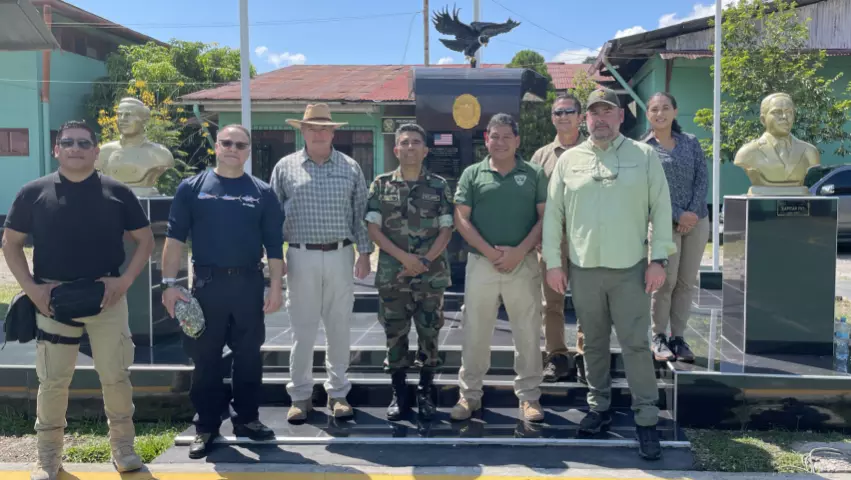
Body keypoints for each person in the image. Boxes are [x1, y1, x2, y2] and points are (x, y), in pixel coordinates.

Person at [2, 120, 154, 479]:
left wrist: (124, 282)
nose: (75, 148)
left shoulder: (117, 191)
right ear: (57, 150)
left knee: (116, 378)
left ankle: (124, 451)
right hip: (53, 302)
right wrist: (32, 290)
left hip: (107, 301)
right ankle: (48, 460)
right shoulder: (33, 192)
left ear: (95, 151)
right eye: (67, 142)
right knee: (53, 383)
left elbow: (145, 240)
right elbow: (10, 243)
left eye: (83, 143)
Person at [543, 89, 676, 460]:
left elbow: (661, 209)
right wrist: (554, 263)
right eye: (593, 114)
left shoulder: (644, 156)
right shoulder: (570, 161)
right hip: (584, 270)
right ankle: (598, 407)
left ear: (621, 117)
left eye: (607, 112)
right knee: (594, 345)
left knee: (635, 344)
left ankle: (647, 418)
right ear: (585, 119)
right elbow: (554, 216)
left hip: (631, 269)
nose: (600, 119)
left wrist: (658, 259)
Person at [161, 124, 284, 459]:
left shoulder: (263, 192)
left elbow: (274, 246)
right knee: (205, 358)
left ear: (248, 150)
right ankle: (207, 425)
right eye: (227, 142)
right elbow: (174, 241)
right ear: (216, 146)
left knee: (248, 357)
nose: (233, 148)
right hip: (205, 286)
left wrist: (276, 286)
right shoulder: (192, 188)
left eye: (240, 144)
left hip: (248, 285)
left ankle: (247, 419)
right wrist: (169, 285)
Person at [270, 103, 373, 423]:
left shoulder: (350, 167)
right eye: (311, 128)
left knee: (339, 327)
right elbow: (272, 218)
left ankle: (338, 393)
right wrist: (274, 259)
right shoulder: (285, 168)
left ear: (333, 131)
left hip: (341, 254)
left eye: (323, 128)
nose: (318, 133)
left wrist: (365, 253)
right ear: (301, 131)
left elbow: (360, 213)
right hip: (300, 256)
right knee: (302, 330)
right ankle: (300, 396)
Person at [452, 113, 547, 422]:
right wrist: (490, 252)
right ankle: (469, 396)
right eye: (495, 136)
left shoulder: (534, 173)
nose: (501, 142)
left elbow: (545, 217)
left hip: (523, 264)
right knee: (475, 332)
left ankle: (530, 397)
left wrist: (519, 252)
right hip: (482, 264)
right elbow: (461, 218)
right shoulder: (472, 174)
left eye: (507, 136)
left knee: (528, 333)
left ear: (517, 141)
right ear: (486, 140)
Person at [365, 123, 454, 420]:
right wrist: (405, 258)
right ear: (396, 149)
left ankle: (426, 392)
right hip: (394, 275)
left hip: (431, 275)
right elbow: (373, 228)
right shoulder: (380, 184)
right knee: (395, 335)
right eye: (404, 143)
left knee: (430, 335)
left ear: (425, 150)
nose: (410, 147)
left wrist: (424, 261)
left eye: (416, 142)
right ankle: (399, 393)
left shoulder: (440, 186)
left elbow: (446, 230)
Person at [642, 92, 709, 363]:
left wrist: (691, 213)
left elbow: (702, 178)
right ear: (648, 114)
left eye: (665, 108)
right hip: (662, 224)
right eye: (655, 109)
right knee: (664, 282)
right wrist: (678, 214)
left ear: (675, 111)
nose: (660, 113)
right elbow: (646, 190)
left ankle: (678, 337)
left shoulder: (690, 142)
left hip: (697, 220)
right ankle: (658, 336)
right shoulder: (643, 148)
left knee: (685, 282)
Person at [529, 93, 587, 383]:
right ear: (552, 117)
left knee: (587, 301)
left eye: (569, 111)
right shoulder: (540, 157)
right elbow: (530, 199)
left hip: (587, 240)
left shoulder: (593, 151)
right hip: (551, 242)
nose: (563, 116)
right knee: (550, 303)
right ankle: (556, 356)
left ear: (580, 116)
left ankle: (585, 356)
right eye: (558, 112)